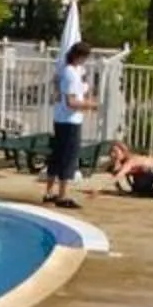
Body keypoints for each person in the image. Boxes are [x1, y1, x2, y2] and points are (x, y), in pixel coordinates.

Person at [43, 39, 93, 208]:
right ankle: (62, 195)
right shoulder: (70, 74)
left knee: (57, 155)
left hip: (61, 119)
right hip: (70, 121)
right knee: (67, 157)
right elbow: (71, 102)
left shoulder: (71, 72)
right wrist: (91, 106)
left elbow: (80, 89)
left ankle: (49, 192)